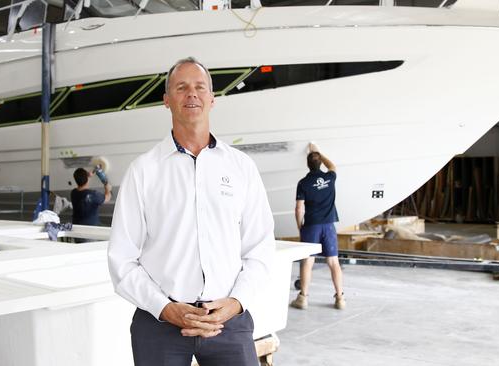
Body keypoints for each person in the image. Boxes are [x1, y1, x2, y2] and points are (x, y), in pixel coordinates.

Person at [108, 57, 275, 366]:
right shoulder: (143, 171)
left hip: (228, 321)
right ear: (166, 101)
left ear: (212, 99)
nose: (192, 94)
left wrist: (236, 302)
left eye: (200, 87)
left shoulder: (241, 168)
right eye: (181, 87)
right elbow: (122, 258)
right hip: (159, 324)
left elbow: (261, 248)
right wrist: (164, 307)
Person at [290, 143, 345, 310]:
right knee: (333, 262)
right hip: (328, 225)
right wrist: (318, 153)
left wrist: (300, 226)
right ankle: (340, 299)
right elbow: (332, 166)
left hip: (312, 226)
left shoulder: (303, 183)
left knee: (308, 261)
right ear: (320, 163)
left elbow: (299, 208)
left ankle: (303, 298)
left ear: (307, 164)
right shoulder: (330, 178)